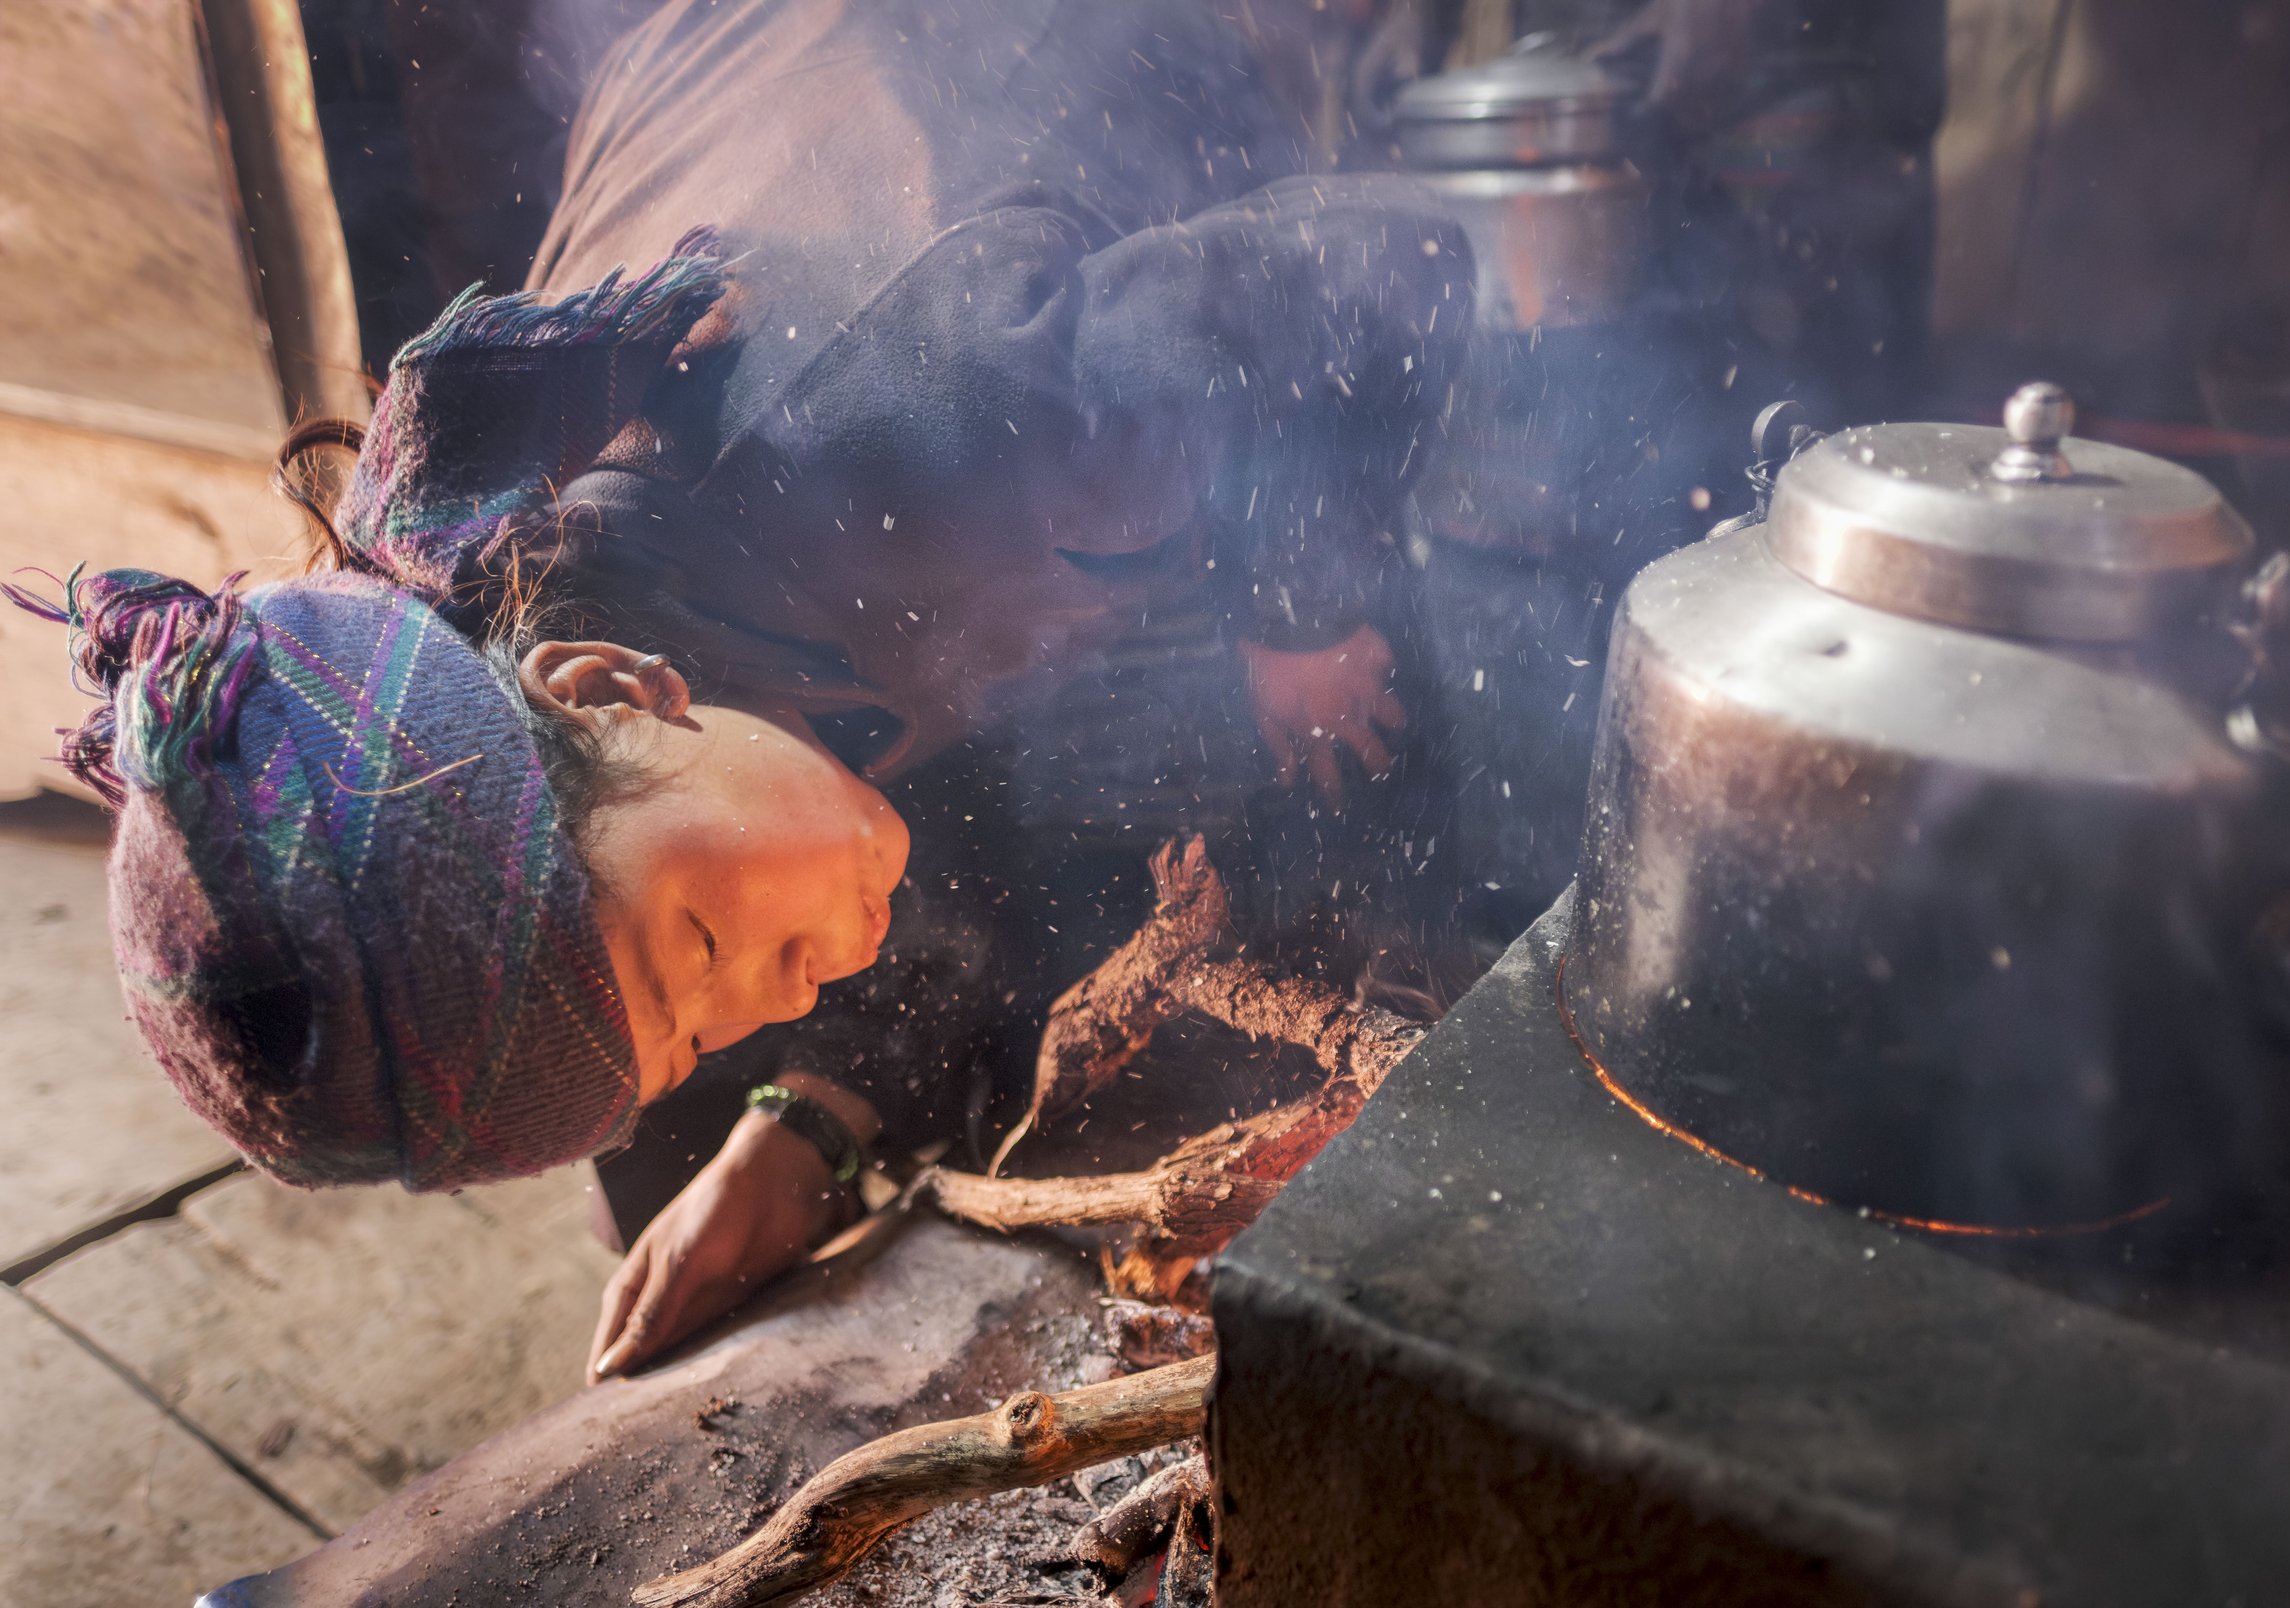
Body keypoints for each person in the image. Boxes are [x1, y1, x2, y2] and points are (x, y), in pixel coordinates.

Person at [16, 0, 1471, 1382]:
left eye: (701, 947)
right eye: (704, 1014)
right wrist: (807, 1124)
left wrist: (1301, 616)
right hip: (710, 100)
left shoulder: (947, 424)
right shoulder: (538, 660)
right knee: (665, 1135)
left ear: (611, 689)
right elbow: (889, 806)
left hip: (986, 75)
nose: (784, 987)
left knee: (1303, 694)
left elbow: (1394, 258)